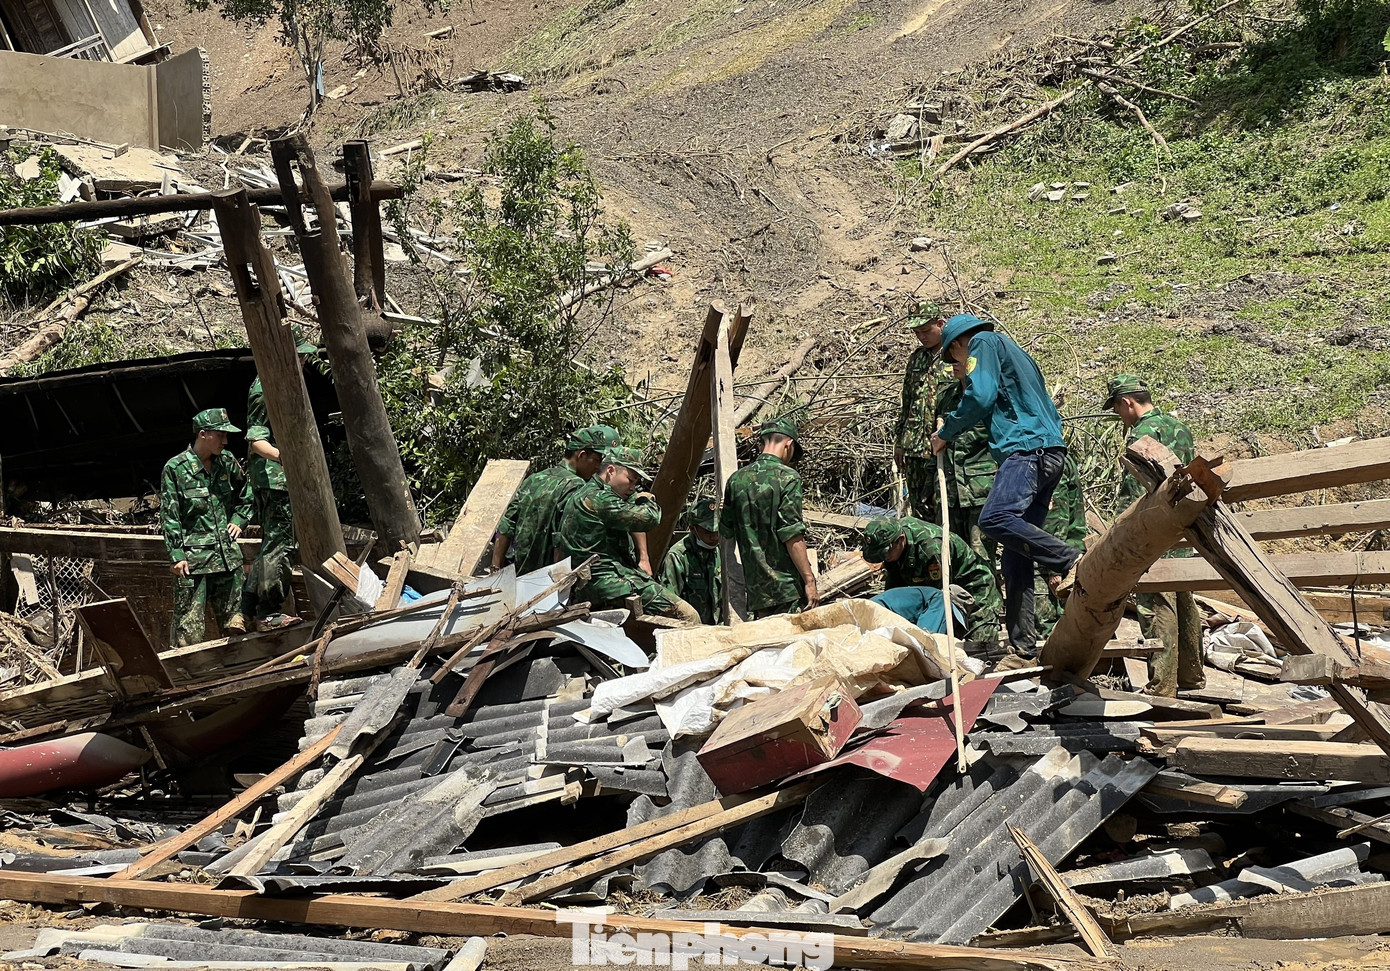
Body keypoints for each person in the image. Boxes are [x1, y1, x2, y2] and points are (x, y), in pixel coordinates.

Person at [930, 313, 1081, 658]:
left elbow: (981, 397)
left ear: (957, 343)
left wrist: (946, 432)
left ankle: (1071, 560)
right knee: (1015, 554)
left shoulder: (981, 343)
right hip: (1051, 451)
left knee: (994, 519)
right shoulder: (1017, 353)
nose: (959, 366)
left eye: (955, 359)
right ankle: (1023, 645)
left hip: (1026, 450)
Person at [1106, 373, 1205, 697]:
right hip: (1185, 526)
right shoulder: (1181, 428)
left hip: (1154, 529)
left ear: (1127, 402)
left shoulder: (1143, 433)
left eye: (1118, 409)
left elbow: (1134, 490)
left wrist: (1120, 528)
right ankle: (1192, 676)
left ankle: (1162, 686)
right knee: (1184, 598)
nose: (1120, 416)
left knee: (1156, 602)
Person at [558, 446, 701, 624]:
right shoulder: (600, 499)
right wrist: (645, 499)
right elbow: (648, 519)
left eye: (636, 484)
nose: (633, 488)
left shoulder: (586, 493)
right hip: (609, 583)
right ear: (611, 471)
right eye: (631, 480)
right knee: (688, 616)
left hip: (591, 583)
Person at [241, 332, 317, 631]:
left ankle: (246, 608)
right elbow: (256, 440)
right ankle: (268, 612)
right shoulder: (266, 388)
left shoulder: (276, 384)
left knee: (270, 544)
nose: (304, 360)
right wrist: (287, 458)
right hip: (275, 481)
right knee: (281, 545)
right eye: (299, 355)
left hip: (270, 480)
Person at [160, 408, 253, 647]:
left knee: (237, 629)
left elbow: (248, 494)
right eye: (220, 435)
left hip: (228, 562)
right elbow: (170, 516)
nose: (225, 441)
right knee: (187, 633)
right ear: (203, 434)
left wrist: (239, 520)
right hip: (194, 564)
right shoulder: (176, 469)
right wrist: (176, 555)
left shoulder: (227, 462)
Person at [720, 417, 818, 619]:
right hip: (787, 589)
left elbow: (726, 532)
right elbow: (791, 535)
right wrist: (809, 580)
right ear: (789, 444)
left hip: (757, 592)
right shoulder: (788, 478)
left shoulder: (736, 480)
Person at [494, 425, 620, 575]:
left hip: (521, 574)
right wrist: (561, 585)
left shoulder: (534, 479)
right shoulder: (576, 486)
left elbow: (507, 526)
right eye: (597, 460)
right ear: (582, 455)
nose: (598, 467)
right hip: (548, 579)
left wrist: (495, 571)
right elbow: (561, 540)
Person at [860, 516, 1002, 645]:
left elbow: (937, 601)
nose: (885, 558)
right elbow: (894, 590)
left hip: (974, 586)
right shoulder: (893, 545)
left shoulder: (930, 548)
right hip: (938, 587)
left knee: (981, 647)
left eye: (885, 553)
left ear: (901, 540)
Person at [935, 355, 1000, 575]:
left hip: (980, 492)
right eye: (950, 360)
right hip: (951, 495)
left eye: (958, 359)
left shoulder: (989, 397)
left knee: (980, 559)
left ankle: (988, 608)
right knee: (954, 558)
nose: (953, 364)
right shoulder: (947, 398)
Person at [893, 300, 948, 519]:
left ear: (940, 324)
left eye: (926, 330)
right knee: (919, 508)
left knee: (942, 506)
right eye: (917, 332)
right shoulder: (916, 358)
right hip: (914, 445)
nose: (922, 337)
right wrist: (899, 442)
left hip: (942, 445)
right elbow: (906, 402)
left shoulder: (955, 354)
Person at [1033, 454, 1088, 640]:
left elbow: (1055, 517)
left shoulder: (1046, 460)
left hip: (1055, 559)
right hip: (1064, 554)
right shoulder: (1057, 455)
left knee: (1048, 623)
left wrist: (1053, 568)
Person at [661, 498, 722, 625]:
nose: (714, 537)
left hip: (722, 629)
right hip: (694, 630)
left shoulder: (724, 551)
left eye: (718, 531)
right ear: (693, 529)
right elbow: (671, 603)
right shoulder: (678, 556)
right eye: (708, 532)